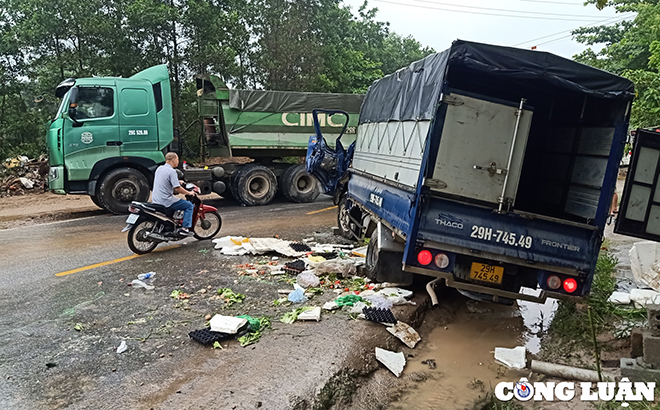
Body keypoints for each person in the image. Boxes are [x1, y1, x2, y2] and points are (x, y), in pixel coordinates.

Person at [152, 152, 195, 236]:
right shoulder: (172, 172)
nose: (178, 161)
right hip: (166, 200)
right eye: (178, 159)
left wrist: (178, 181)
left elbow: (164, 180)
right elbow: (177, 188)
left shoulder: (159, 168)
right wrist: (189, 193)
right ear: (173, 160)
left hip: (156, 199)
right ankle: (184, 229)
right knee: (189, 205)